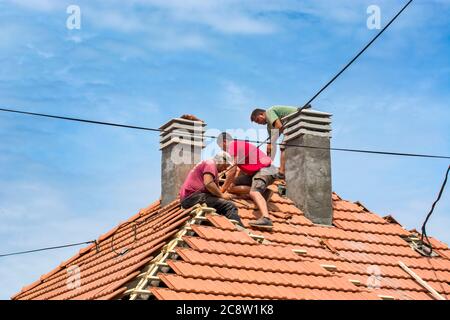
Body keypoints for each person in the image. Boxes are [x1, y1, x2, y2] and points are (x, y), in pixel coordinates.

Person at [217, 132, 275, 230]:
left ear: (224, 141)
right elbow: (239, 172)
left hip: (266, 170)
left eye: (221, 147)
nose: (222, 150)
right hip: (254, 173)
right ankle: (263, 192)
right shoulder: (238, 146)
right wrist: (232, 184)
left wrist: (220, 192)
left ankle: (266, 218)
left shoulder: (233, 145)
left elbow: (232, 171)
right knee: (231, 187)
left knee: (254, 192)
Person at [179, 152, 243, 226]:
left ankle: (226, 228)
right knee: (229, 206)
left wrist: (223, 196)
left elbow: (214, 190)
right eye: (225, 166)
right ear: (222, 161)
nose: (225, 169)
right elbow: (209, 184)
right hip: (193, 197)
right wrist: (222, 196)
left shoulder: (209, 165)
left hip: (190, 198)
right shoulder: (210, 164)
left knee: (220, 208)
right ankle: (239, 229)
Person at [251, 105, 310, 179]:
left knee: (283, 146)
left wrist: (271, 143)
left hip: (300, 118)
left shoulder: (269, 112)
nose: (259, 123)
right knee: (278, 146)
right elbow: (273, 143)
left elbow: (279, 126)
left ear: (262, 114)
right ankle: (271, 167)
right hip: (293, 125)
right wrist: (269, 154)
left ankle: (282, 172)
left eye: (257, 120)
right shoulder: (269, 126)